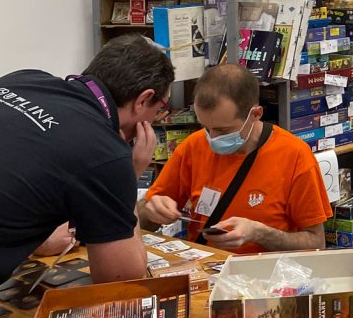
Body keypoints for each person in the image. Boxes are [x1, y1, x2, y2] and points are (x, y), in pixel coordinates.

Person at [0, 35, 173, 318]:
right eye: (160, 109)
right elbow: (120, 280)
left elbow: (3, 175)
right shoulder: (104, 149)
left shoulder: (24, 80)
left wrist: (37, 234)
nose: (156, 119)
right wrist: (129, 173)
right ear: (143, 100)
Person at [140, 64, 332, 253]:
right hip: (205, 273)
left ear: (255, 114)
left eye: (223, 130)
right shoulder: (193, 146)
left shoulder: (295, 155)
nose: (212, 138)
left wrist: (259, 233)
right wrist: (152, 210)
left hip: (267, 278)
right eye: (206, 127)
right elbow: (139, 218)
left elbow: (316, 242)